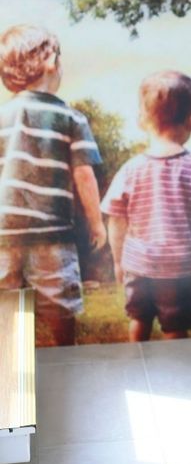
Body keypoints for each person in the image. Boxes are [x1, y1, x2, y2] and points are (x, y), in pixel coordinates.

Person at [101, 70, 191, 341]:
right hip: (181, 267)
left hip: (138, 264)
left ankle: (135, 362)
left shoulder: (131, 169)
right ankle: (178, 367)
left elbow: (116, 220)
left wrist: (118, 260)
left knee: (138, 320)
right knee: (176, 327)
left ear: (142, 119)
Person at [0, 25, 106, 346]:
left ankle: (9, 362)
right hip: (52, 234)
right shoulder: (71, 118)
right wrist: (97, 223)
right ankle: (66, 352)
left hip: (3, 233)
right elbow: (84, 174)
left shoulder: (2, 116)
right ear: (49, 62)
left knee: (5, 305)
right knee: (60, 306)